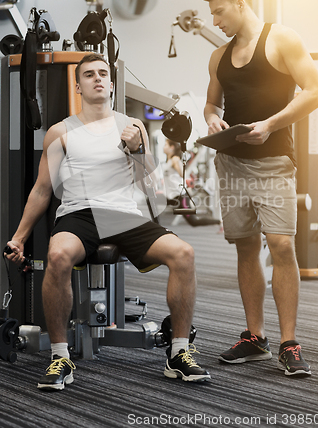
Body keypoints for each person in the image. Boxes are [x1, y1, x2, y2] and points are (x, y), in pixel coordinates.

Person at [5, 53, 210, 390]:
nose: (98, 78)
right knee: (57, 257)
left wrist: (139, 151)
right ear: (78, 85)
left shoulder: (133, 126)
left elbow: (154, 186)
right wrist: (19, 237)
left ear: (112, 84)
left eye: (103, 73)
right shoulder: (60, 131)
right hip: (78, 213)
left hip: (124, 214)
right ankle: (60, 357)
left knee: (184, 253)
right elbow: (42, 190)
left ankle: (179, 353)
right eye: (89, 74)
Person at [201, 0, 318, 376]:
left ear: (240, 4)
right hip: (231, 162)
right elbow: (210, 103)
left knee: (281, 245)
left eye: (219, 12)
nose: (215, 21)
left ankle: (290, 342)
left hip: (273, 161)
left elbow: (314, 92)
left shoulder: (281, 39)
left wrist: (270, 124)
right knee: (245, 246)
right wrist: (212, 119)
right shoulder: (218, 56)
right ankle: (256, 337)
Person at [163, 139, 220, 226]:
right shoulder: (169, 161)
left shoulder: (174, 159)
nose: (163, 147)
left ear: (172, 147)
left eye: (165, 145)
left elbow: (183, 174)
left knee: (194, 222)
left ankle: (218, 222)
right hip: (172, 197)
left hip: (180, 197)